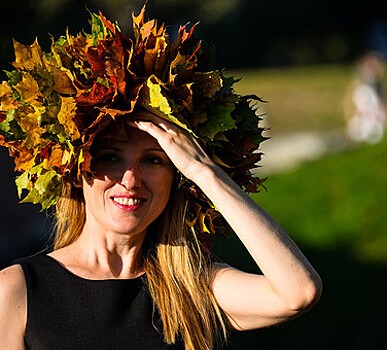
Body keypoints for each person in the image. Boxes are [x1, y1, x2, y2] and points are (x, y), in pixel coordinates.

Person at [0, 7, 321, 350]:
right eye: (110, 157)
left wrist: (203, 169)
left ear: (176, 177)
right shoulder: (18, 291)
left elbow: (298, 292)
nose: (131, 178)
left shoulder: (193, 289)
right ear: (75, 171)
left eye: (154, 160)